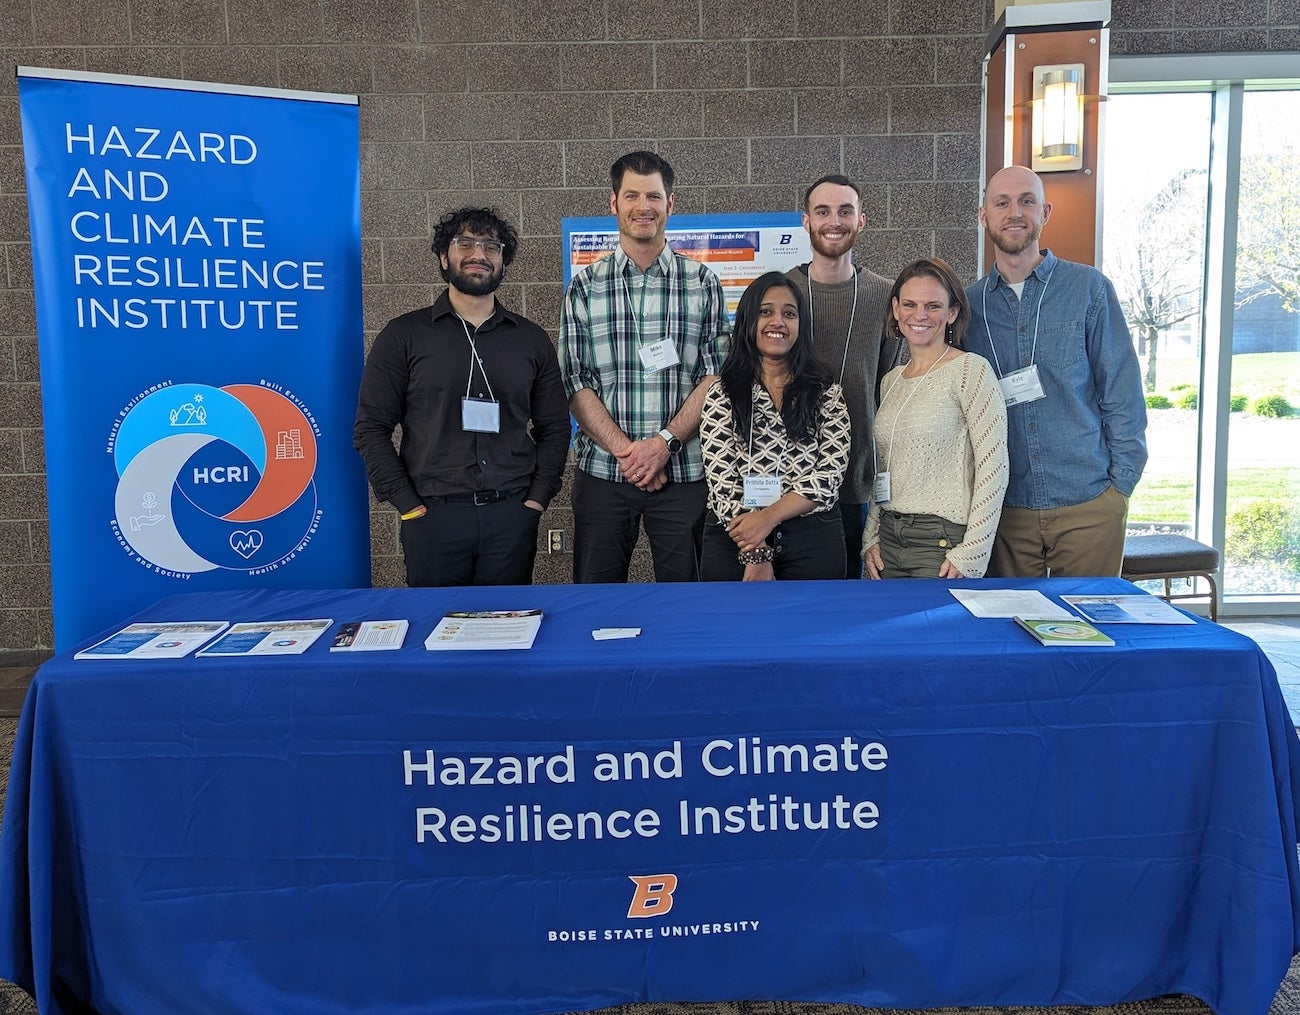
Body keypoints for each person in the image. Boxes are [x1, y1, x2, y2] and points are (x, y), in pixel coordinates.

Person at [353, 207, 569, 587]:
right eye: (465, 243)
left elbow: (555, 427)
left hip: (511, 515)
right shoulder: (404, 336)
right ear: (443, 256)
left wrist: (536, 501)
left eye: (491, 246)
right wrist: (406, 504)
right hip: (432, 516)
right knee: (436, 634)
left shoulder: (531, 340)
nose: (479, 254)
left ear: (503, 261)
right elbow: (370, 428)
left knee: (506, 631)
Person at [965, 165, 1147, 577]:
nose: (1015, 212)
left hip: (1087, 501)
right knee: (1009, 634)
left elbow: (1122, 392)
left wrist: (1119, 488)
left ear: (1045, 212)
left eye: (1026, 201)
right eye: (1002, 202)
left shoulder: (1089, 289)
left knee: (1088, 633)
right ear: (984, 215)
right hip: (1003, 511)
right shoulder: (967, 306)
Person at [559, 151, 729, 583]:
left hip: (684, 472)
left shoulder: (702, 283)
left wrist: (663, 444)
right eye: (631, 195)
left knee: (687, 605)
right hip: (603, 473)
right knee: (596, 600)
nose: (643, 206)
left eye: (653, 196)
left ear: (671, 203)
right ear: (613, 203)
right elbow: (575, 380)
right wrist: (627, 452)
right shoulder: (586, 286)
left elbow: (715, 377)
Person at [785, 174, 903, 578]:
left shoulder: (888, 297)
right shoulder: (780, 294)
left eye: (844, 211)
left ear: (861, 221)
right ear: (805, 222)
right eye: (823, 211)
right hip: (790, 480)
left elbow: (891, 385)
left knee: (855, 597)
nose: (833, 221)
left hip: (859, 480)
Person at [863, 259, 1008, 580]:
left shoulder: (971, 371)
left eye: (933, 306)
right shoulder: (892, 380)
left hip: (941, 541)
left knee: (935, 631)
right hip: (889, 537)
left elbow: (993, 469)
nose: (920, 315)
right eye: (910, 305)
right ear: (896, 309)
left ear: (952, 313)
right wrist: (871, 534)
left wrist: (973, 551)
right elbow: (885, 467)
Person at [699, 272, 850, 582]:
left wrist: (768, 518)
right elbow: (721, 479)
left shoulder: (825, 390)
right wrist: (756, 550)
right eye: (765, 311)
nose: (777, 321)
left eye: (789, 314)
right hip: (735, 535)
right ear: (748, 321)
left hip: (813, 538)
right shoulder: (723, 391)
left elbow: (828, 476)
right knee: (736, 630)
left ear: (801, 325)